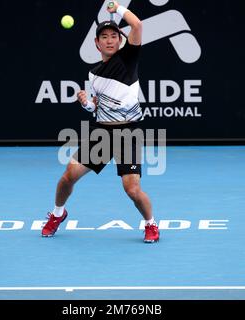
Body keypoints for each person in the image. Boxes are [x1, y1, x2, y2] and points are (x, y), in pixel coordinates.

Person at [42, 1, 159, 243]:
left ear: (120, 40)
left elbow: (137, 25)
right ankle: (57, 214)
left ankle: (151, 224)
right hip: (101, 133)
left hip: (128, 133)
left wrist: (117, 10)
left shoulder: (128, 58)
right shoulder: (94, 74)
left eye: (113, 36)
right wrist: (86, 103)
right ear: (96, 43)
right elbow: (96, 106)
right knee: (67, 177)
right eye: (103, 36)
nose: (109, 40)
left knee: (132, 190)